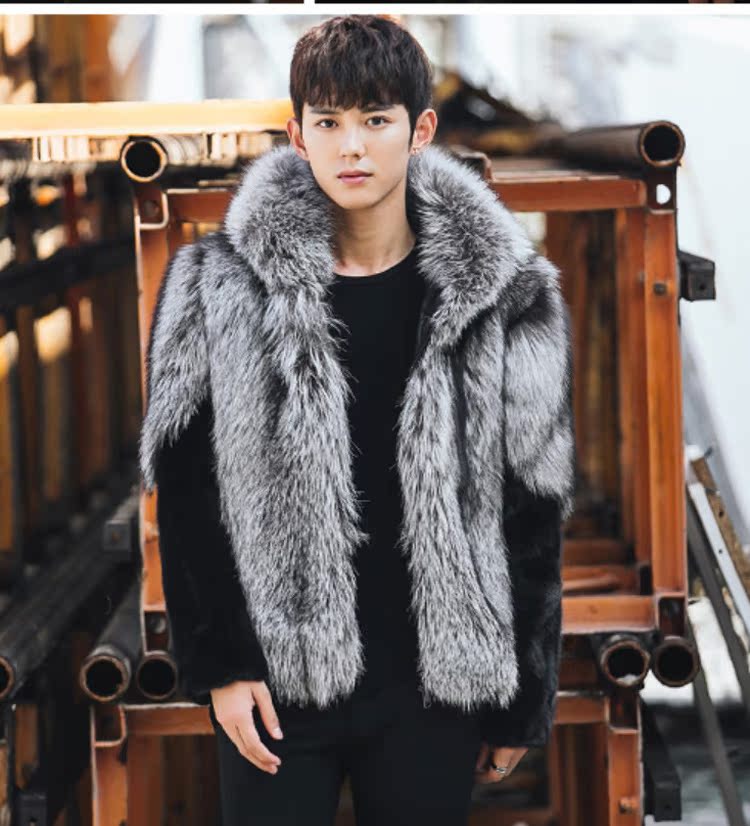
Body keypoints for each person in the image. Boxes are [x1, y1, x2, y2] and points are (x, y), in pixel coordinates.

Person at [138, 14, 575, 826]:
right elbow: (188, 494)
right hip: (277, 683)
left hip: (435, 690)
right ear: (297, 136)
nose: (352, 147)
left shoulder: (504, 297)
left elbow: (533, 504)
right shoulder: (215, 287)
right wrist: (223, 665)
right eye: (329, 122)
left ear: (420, 131)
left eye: (375, 120)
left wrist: (522, 699)